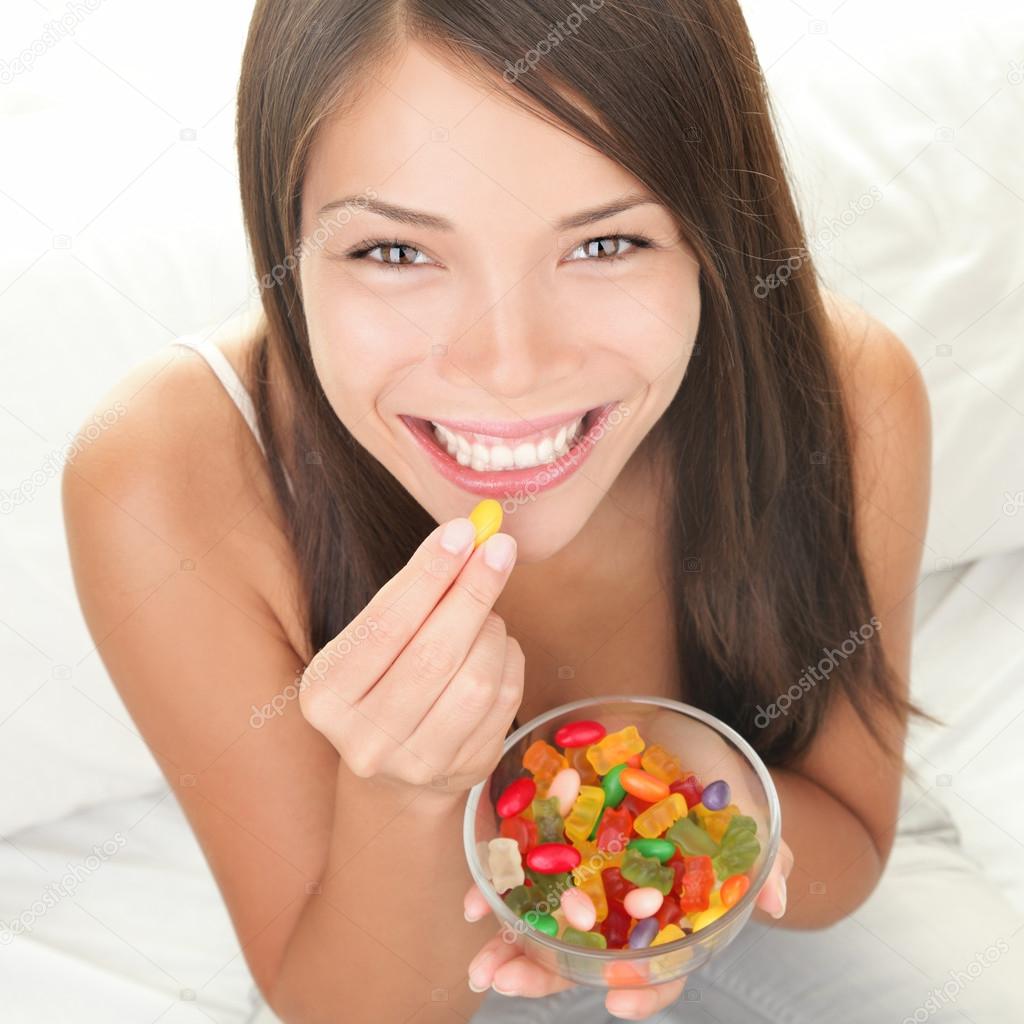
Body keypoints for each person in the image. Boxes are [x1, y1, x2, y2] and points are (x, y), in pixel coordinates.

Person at [61, 1, 1024, 1021]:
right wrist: (405, 793)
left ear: (714, 236)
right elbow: (350, 1004)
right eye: (395, 252)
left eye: (606, 242)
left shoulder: (850, 392)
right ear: (284, 235)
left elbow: (850, 848)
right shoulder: (165, 475)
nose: (510, 367)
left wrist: (682, 832)